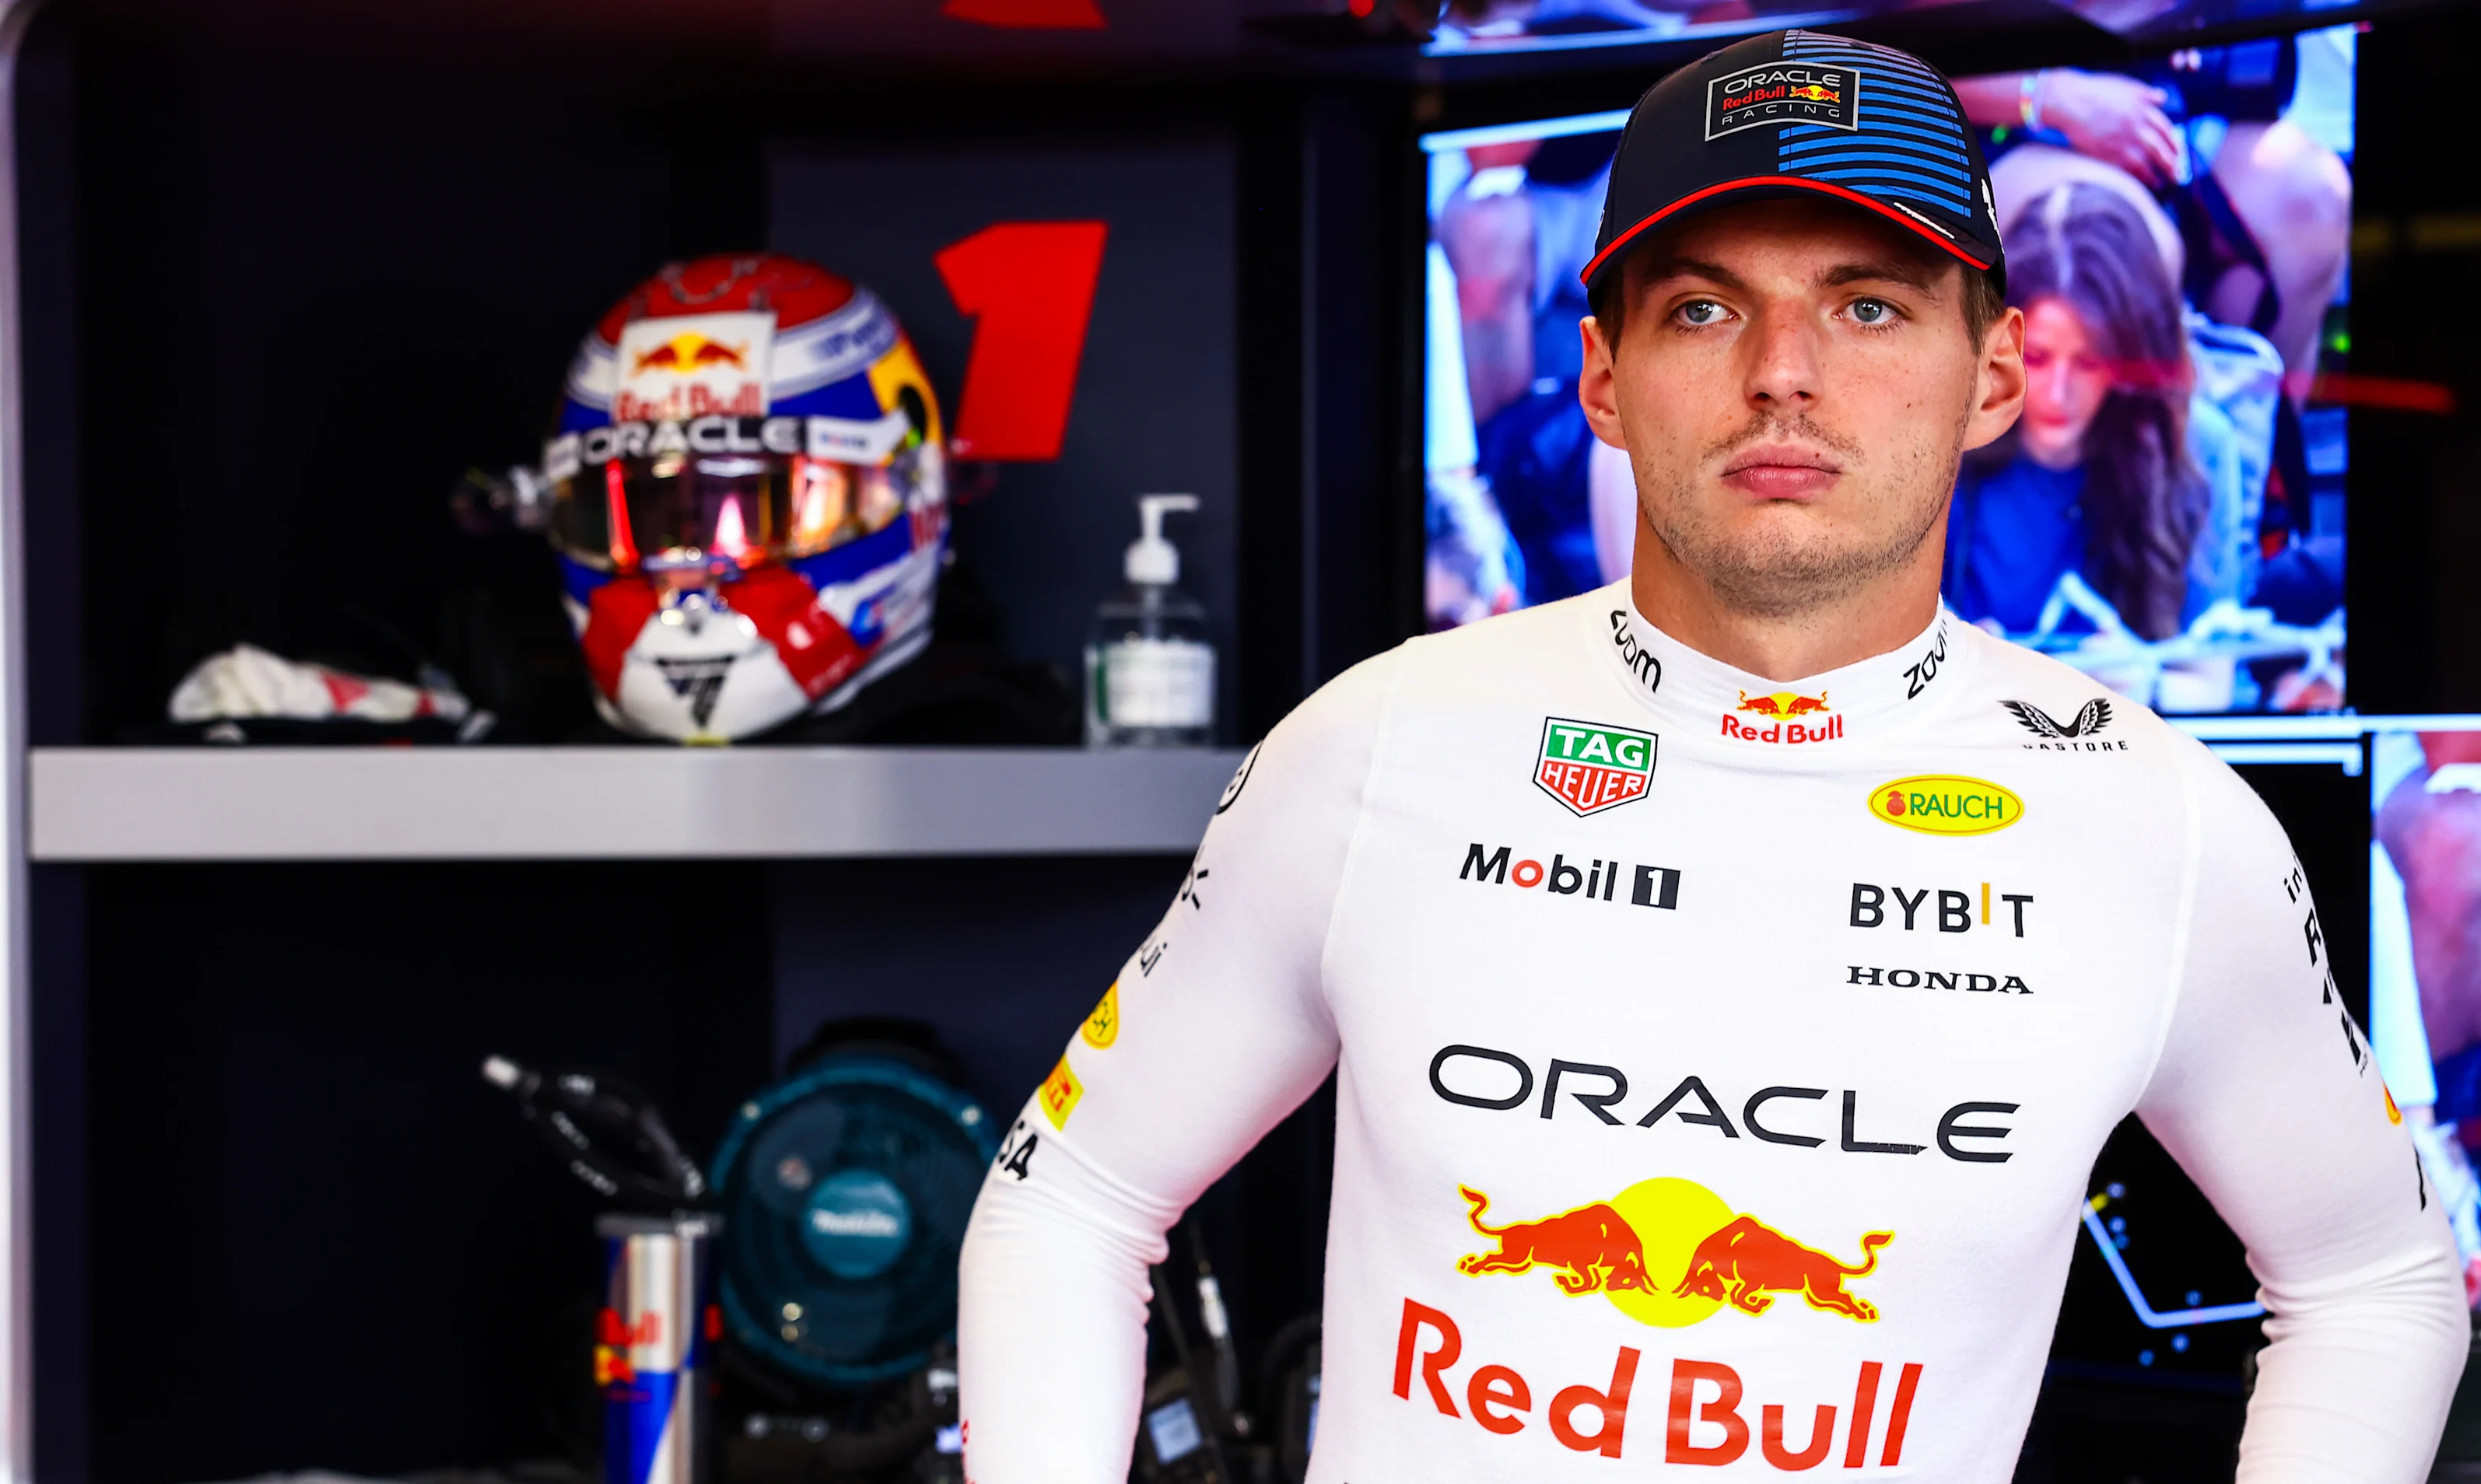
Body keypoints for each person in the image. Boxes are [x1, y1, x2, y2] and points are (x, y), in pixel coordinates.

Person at [959, 29, 2463, 1483]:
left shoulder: (2161, 825)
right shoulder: (1375, 744)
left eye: (1867, 305)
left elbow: (2373, 1275)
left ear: (1991, 374)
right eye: (1701, 308)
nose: (1782, 373)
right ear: (1602, 376)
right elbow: (1071, 1199)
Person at [1943, 182, 2216, 640]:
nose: (2057, 395)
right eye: (2038, 358)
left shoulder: (2194, 442)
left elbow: (2212, 683)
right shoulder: (1940, 430)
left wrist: (2139, 678)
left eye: (2090, 363)